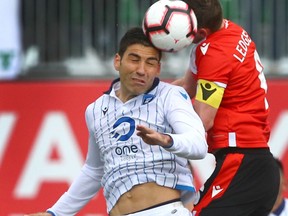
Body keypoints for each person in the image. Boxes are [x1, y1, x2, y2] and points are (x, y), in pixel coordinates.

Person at [24, 27, 208, 216]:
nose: (142, 70)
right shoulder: (95, 109)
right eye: (134, 60)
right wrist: (54, 213)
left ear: (158, 68)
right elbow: (94, 170)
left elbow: (198, 144)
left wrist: (165, 140)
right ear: (117, 61)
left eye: (150, 63)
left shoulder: (170, 95)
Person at [173, 0, 280, 215]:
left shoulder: (214, 53)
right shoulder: (231, 29)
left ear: (202, 31)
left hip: (242, 163)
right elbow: (187, 87)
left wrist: (164, 125)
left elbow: (203, 119)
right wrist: (150, 95)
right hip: (255, 164)